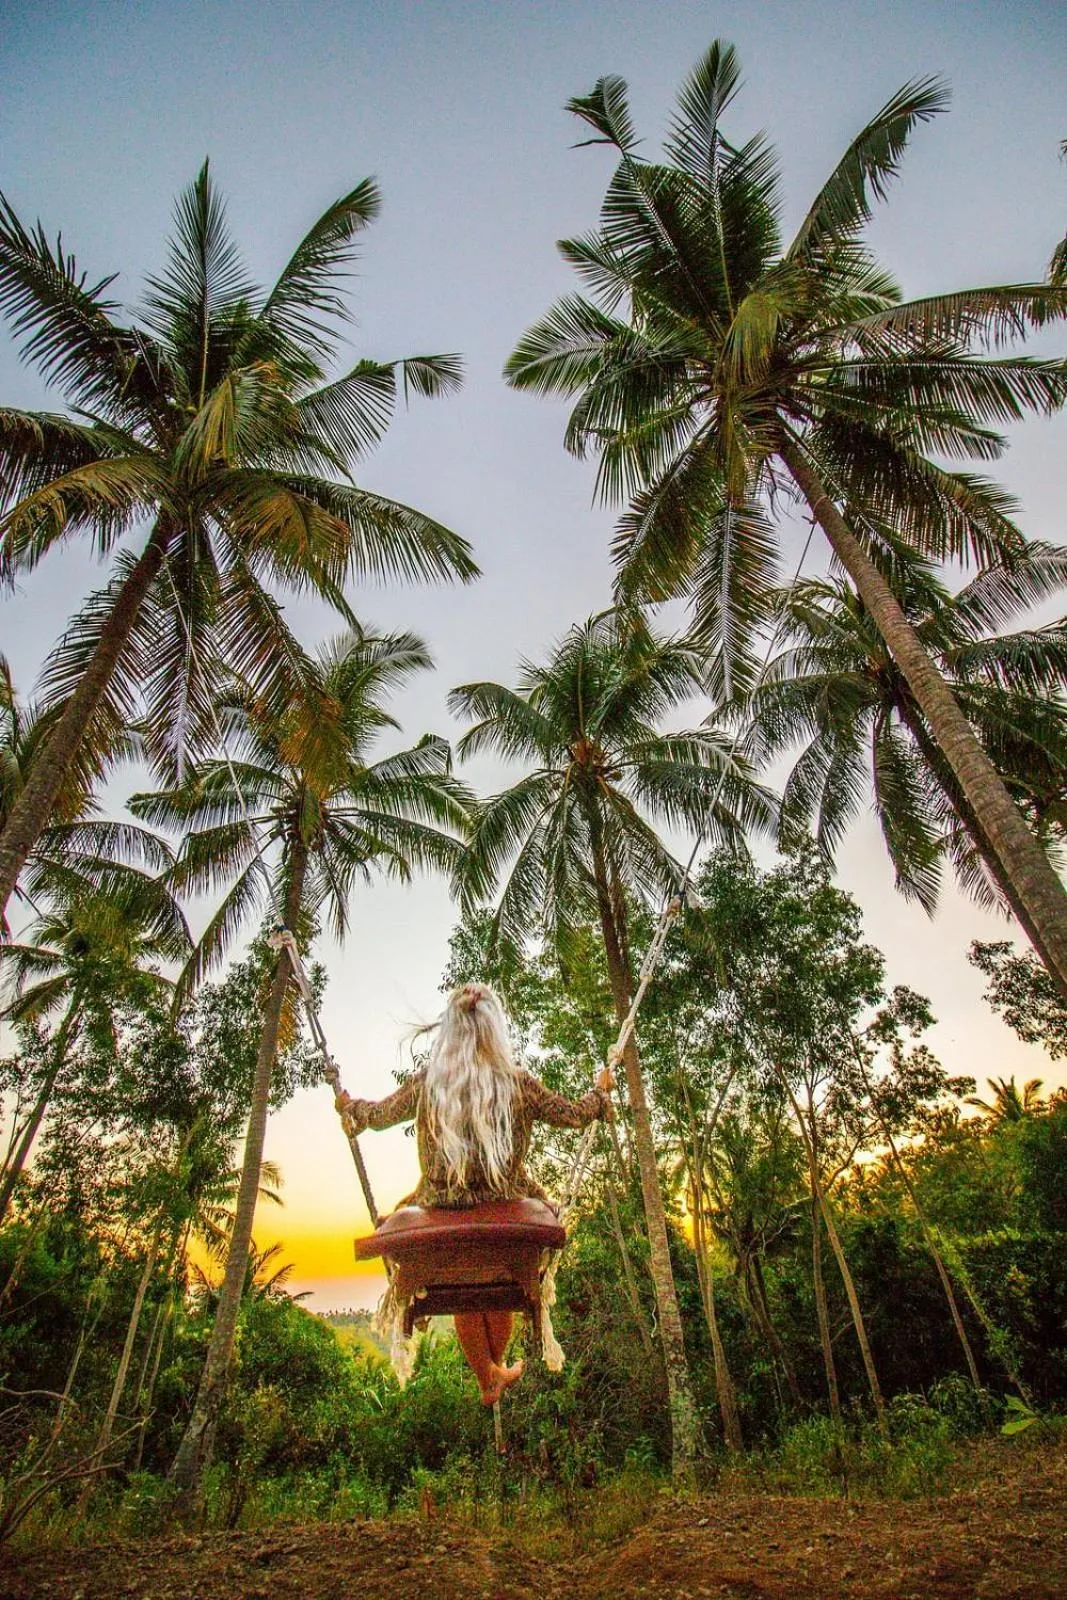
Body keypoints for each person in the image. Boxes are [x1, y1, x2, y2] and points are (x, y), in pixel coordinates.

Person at [336, 981, 614, 1405]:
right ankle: (492, 1372)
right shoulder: (517, 1083)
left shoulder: (428, 1083)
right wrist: (600, 1092)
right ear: (494, 1030)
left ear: (450, 1032)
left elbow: (376, 1116)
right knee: (497, 1276)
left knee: (464, 1282)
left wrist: (349, 1107)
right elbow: (574, 1115)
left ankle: (489, 1375)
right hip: (507, 1212)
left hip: (440, 1209)